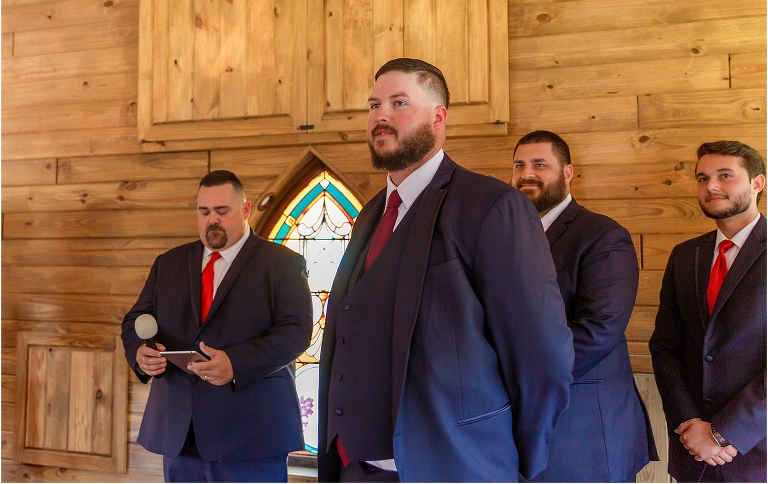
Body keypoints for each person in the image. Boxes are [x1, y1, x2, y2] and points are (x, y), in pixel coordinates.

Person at [317, 58, 574, 483]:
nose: (381, 115)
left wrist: (514, 461)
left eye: (399, 103)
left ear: (438, 117)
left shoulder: (490, 206)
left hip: (453, 466)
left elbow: (542, 355)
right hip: (355, 468)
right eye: (373, 105)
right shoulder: (369, 216)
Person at [121, 170, 313, 482]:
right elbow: (134, 320)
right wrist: (139, 353)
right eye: (204, 212)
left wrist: (236, 363)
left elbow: (296, 333)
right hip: (181, 432)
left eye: (222, 212)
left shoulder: (281, 264)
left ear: (245, 210)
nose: (212, 220)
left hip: (251, 432)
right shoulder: (168, 263)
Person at [510, 130, 658, 482]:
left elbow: (598, 330)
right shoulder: (506, 235)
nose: (526, 173)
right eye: (519, 165)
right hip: (519, 421)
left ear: (567, 173)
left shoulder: (602, 236)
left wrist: (520, 376)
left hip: (585, 426)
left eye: (540, 164)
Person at [649, 140, 766, 482]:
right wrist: (690, 425)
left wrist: (724, 433)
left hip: (756, 450)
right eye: (702, 178)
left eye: (725, 175)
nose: (711, 186)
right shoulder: (686, 256)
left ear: (757, 182)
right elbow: (665, 347)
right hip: (691, 452)